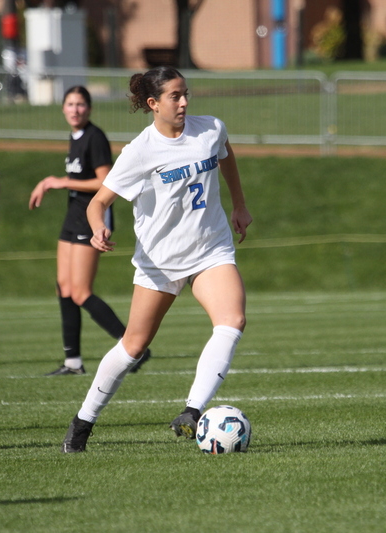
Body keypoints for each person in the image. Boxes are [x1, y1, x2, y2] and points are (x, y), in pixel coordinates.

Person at [61, 66, 252, 453]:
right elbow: (99, 202)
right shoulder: (140, 151)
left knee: (232, 320)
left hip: (210, 249)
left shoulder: (211, 128)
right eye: (174, 97)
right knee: (133, 345)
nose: (183, 102)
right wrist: (98, 228)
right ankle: (83, 422)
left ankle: (193, 411)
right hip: (160, 261)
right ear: (153, 103)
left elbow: (226, 154)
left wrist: (240, 205)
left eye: (185, 94)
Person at [29, 85, 150, 376]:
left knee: (81, 292)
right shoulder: (75, 137)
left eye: (80, 104)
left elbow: (104, 182)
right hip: (73, 216)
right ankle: (72, 362)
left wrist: (60, 181)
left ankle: (134, 348)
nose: (75, 109)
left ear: (89, 108)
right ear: (63, 108)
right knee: (64, 288)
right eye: (70, 104)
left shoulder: (95, 137)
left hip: (90, 217)